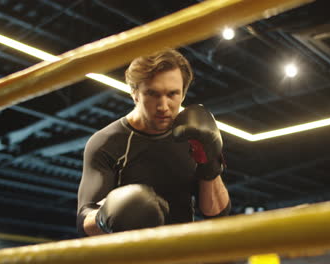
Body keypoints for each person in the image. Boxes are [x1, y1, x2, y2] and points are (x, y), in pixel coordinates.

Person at [76, 49, 231, 236]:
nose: (163, 106)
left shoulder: (192, 136)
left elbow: (216, 213)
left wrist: (210, 163)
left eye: (172, 94)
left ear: (183, 94)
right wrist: (108, 215)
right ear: (134, 93)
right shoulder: (106, 143)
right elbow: (84, 222)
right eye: (152, 94)